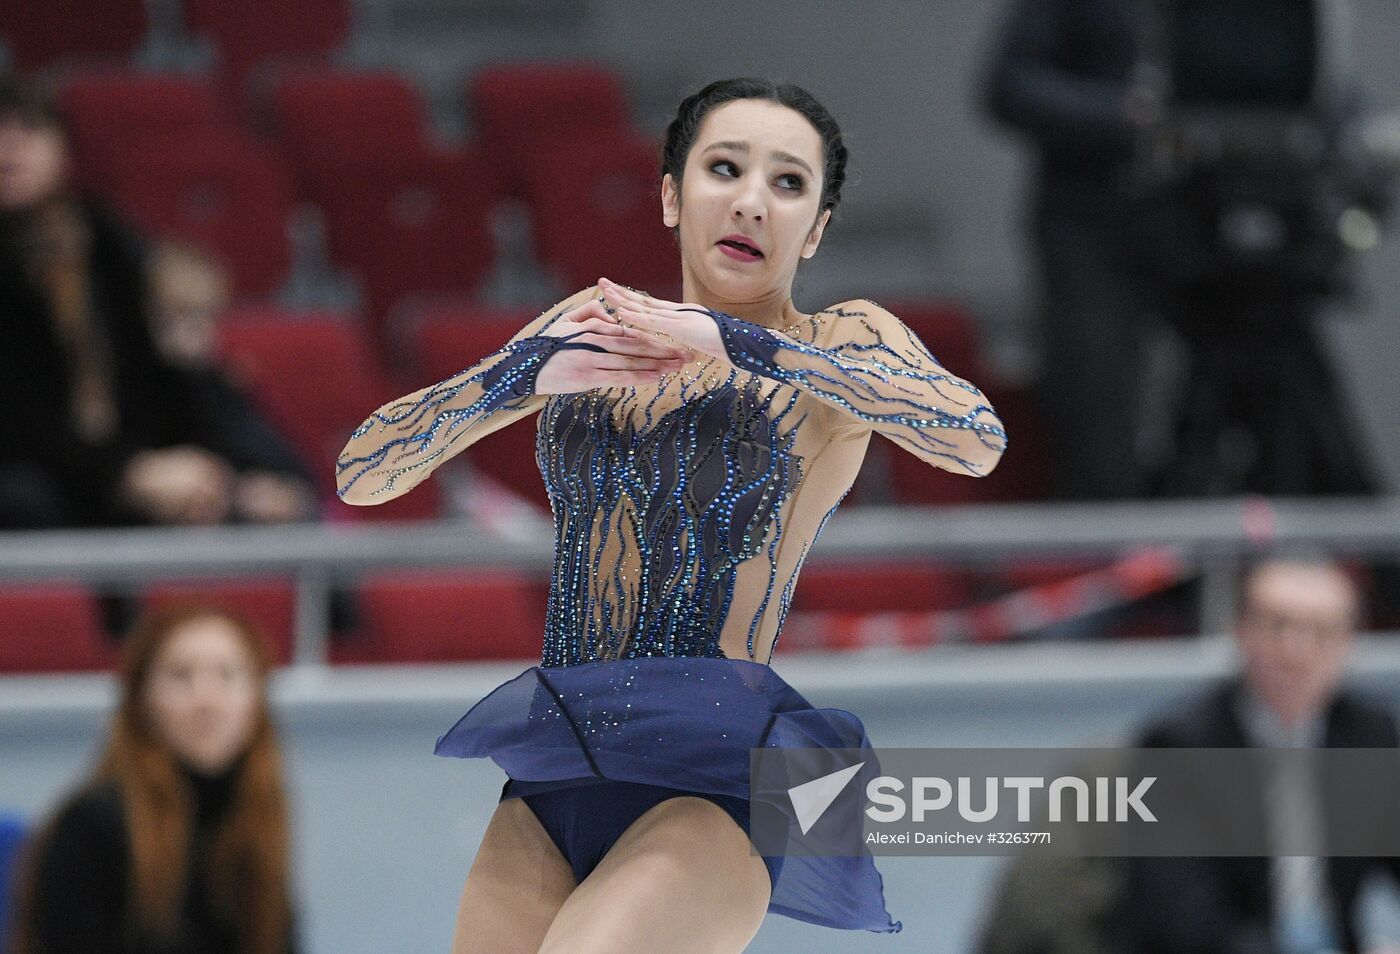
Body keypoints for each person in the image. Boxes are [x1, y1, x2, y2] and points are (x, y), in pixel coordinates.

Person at [336, 77, 1007, 952]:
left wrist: (741, 342)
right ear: (669, 196)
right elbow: (363, 474)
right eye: (724, 168)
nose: (752, 202)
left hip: (713, 783)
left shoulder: (834, 341)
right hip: (553, 777)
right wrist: (519, 376)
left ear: (819, 228)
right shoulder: (593, 322)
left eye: (789, 183)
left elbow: (973, 437)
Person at [981, 0, 1393, 500]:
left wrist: (1355, 124)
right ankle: (1116, 560)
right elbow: (1010, 85)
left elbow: (1295, 80)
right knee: (1103, 417)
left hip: (1213, 231)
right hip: (1099, 231)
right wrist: (1129, 116)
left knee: (1278, 386)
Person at [0, 77, 313, 529]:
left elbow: (174, 373)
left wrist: (237, 474)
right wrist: (124, 474)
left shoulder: (110, 246)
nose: (10, 146)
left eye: (28, 128)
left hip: (120, 467)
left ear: (62, 146)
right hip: (48, 476)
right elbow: (17, 417)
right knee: (28, 502)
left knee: (271, 504)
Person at [1119, 553, 1400, 954]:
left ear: (1348, 645)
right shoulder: (1181, 744)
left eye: (1320, 631)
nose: (1295, 650)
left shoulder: (1367, 734)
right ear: (1240, 631)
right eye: (1278, 625)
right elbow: (1180, 920)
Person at [9, 606, 299, 954]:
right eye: (180, 676)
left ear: (257, 701)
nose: (206, 700)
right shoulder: (92, 824)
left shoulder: (256, 818)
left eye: (228, 675)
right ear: (142, 700)